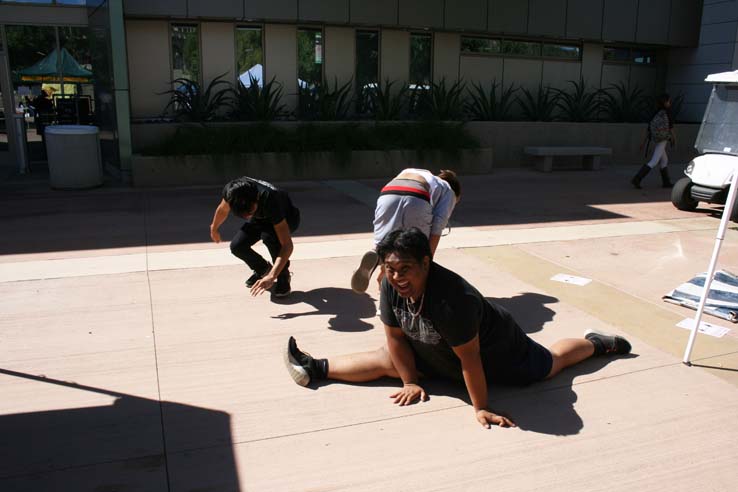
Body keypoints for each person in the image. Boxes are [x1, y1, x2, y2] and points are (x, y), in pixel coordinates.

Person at [285, 228, 632, 428]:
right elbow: (394, 336)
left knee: (550, 364)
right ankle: (312, 367)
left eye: (405, 268)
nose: (397, 277)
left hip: (499, 353)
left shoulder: (453, 300)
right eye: (391, 269)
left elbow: (471, 360)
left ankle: (597, 344)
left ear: (426, 262)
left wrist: (480, 407)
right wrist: (410, 381)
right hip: (435, 348)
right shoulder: (391, 285)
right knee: (387, 357)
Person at [351, 168, 461, 293]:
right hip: (418, 197)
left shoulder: (417, 172)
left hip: (388, 194)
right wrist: (426, 263)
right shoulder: (448, 191)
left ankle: (377, 256)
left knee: (386, 246)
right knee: (413, 255)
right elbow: (437, 229)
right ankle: (395, 299)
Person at [210, 176, 300, 297]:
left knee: (270, 238)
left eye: (249, 212)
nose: (247, 216)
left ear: (256, 199)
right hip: (260, 218)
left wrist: (272, 276)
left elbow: (287, 245)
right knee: (237, 246)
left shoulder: (271, 199)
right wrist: (214, 228)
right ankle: (263, 269)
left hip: (286, 218)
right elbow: (223, 209)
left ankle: (283, 276)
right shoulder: (233, 192)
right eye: (243, 215)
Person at [632, 93, 676, 189]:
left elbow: (649, 129)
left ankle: (666, 182)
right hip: (663, 138)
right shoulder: (667, 113)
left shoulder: (656, 113)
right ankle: (637, 179)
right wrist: (674, 138)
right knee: (654, 161)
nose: (670, 103)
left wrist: (643, 143)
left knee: (664, 160)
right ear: (665, 102)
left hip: (656, 138)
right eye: (668, 101)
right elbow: (671, 128)